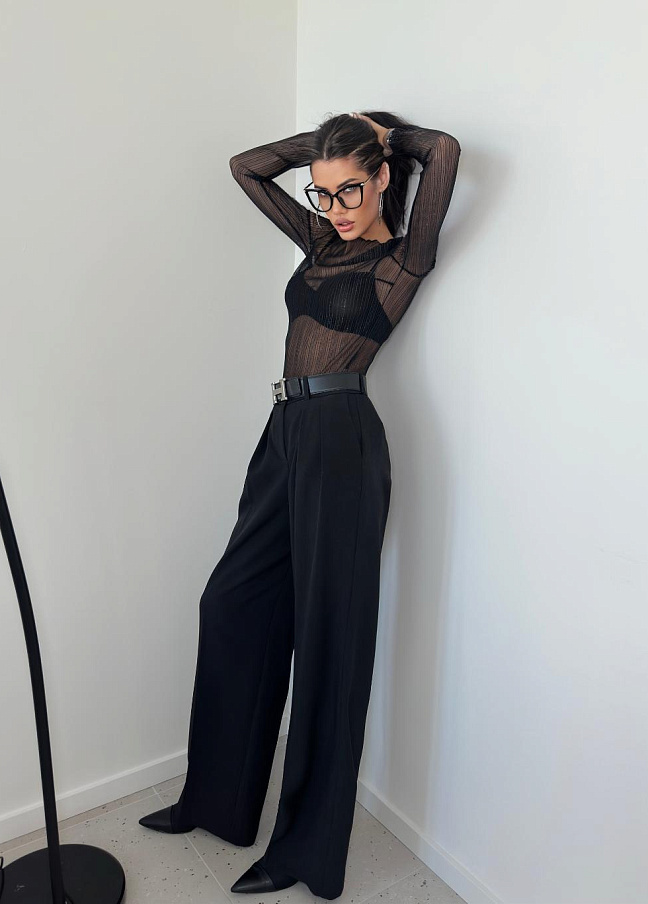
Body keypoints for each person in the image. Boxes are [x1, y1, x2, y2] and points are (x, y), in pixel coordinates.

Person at [139, 111, 461, 899]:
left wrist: (385, 130)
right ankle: (216, 803)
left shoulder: (404, 257)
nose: (336, 207)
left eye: (351, 189)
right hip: (284, 431)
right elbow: (246, 166)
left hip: (343, 439)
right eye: (322, 193)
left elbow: (444, 151)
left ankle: (304, 853)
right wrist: (326, 141)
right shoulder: (319, 243)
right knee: (232, 602)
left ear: (382, 178)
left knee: (329, 641)